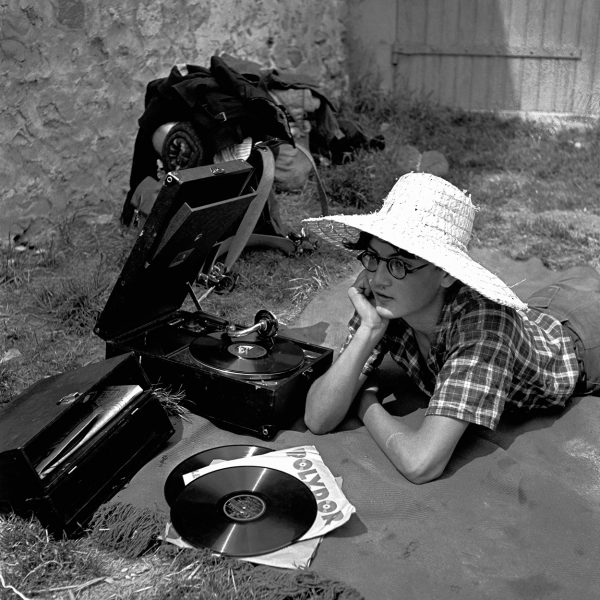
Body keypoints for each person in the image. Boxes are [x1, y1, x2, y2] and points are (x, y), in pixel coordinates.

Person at [302, 172, 600, 484]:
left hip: (582, 346)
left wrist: (366, 403)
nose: (378, 279)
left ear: (446, 273)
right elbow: (318, 418)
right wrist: (368, 330)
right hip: (542, 310)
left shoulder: (485, 326)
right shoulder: (384, 301)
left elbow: (421, 463)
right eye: (374, 258)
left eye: (400, 264)